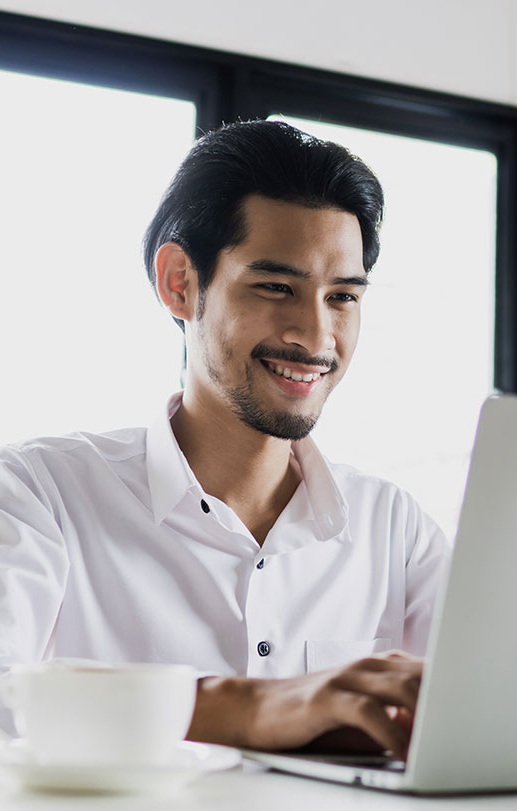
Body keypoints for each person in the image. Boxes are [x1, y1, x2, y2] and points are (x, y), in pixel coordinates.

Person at [0, 120, 449, 759]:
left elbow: (486, 706)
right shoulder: (39, 495)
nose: (316, 336)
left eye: (343, 296)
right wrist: (251, 706)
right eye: (276, 287)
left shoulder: (396, 531)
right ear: (180, 283)